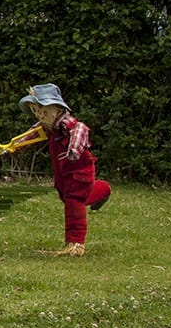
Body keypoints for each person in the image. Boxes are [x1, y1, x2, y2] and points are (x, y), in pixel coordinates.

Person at [18, 83, 112, 255]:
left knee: (74, 201)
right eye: (36, 111)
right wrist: (13, 146)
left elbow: (80, 130)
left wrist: (74, 150)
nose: (40, 115)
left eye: (43, 111)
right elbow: (29, 136)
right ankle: (104, 189)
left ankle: (75, 244)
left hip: (79, 171)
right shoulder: (48, 127)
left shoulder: (70, 125)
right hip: (64, 173)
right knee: (73, 197)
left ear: (56, 109)